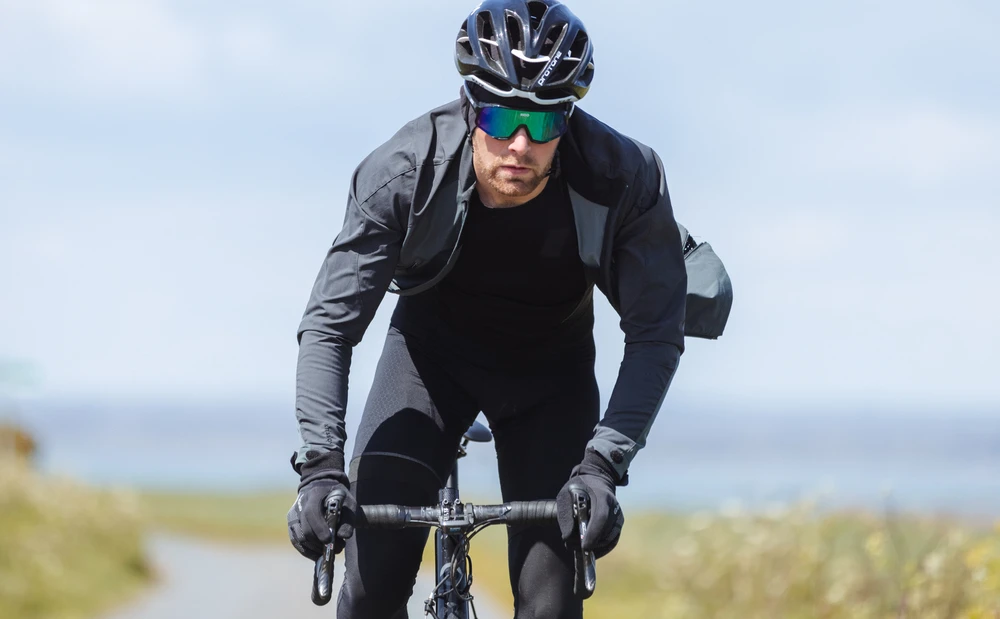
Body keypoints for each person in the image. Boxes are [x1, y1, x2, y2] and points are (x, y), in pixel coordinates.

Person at [286, 1, 687, 617]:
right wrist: (319, 468)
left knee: (551, 605)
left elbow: (657, 333)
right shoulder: (404, 173)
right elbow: (329, 327)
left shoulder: (624, 177)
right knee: (370, 588)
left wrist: (603, 466)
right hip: (427, 362)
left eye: (543, 122)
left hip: (550, 375)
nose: (520, 145)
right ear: (472, 107)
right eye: (500, 118)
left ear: (567, 119)